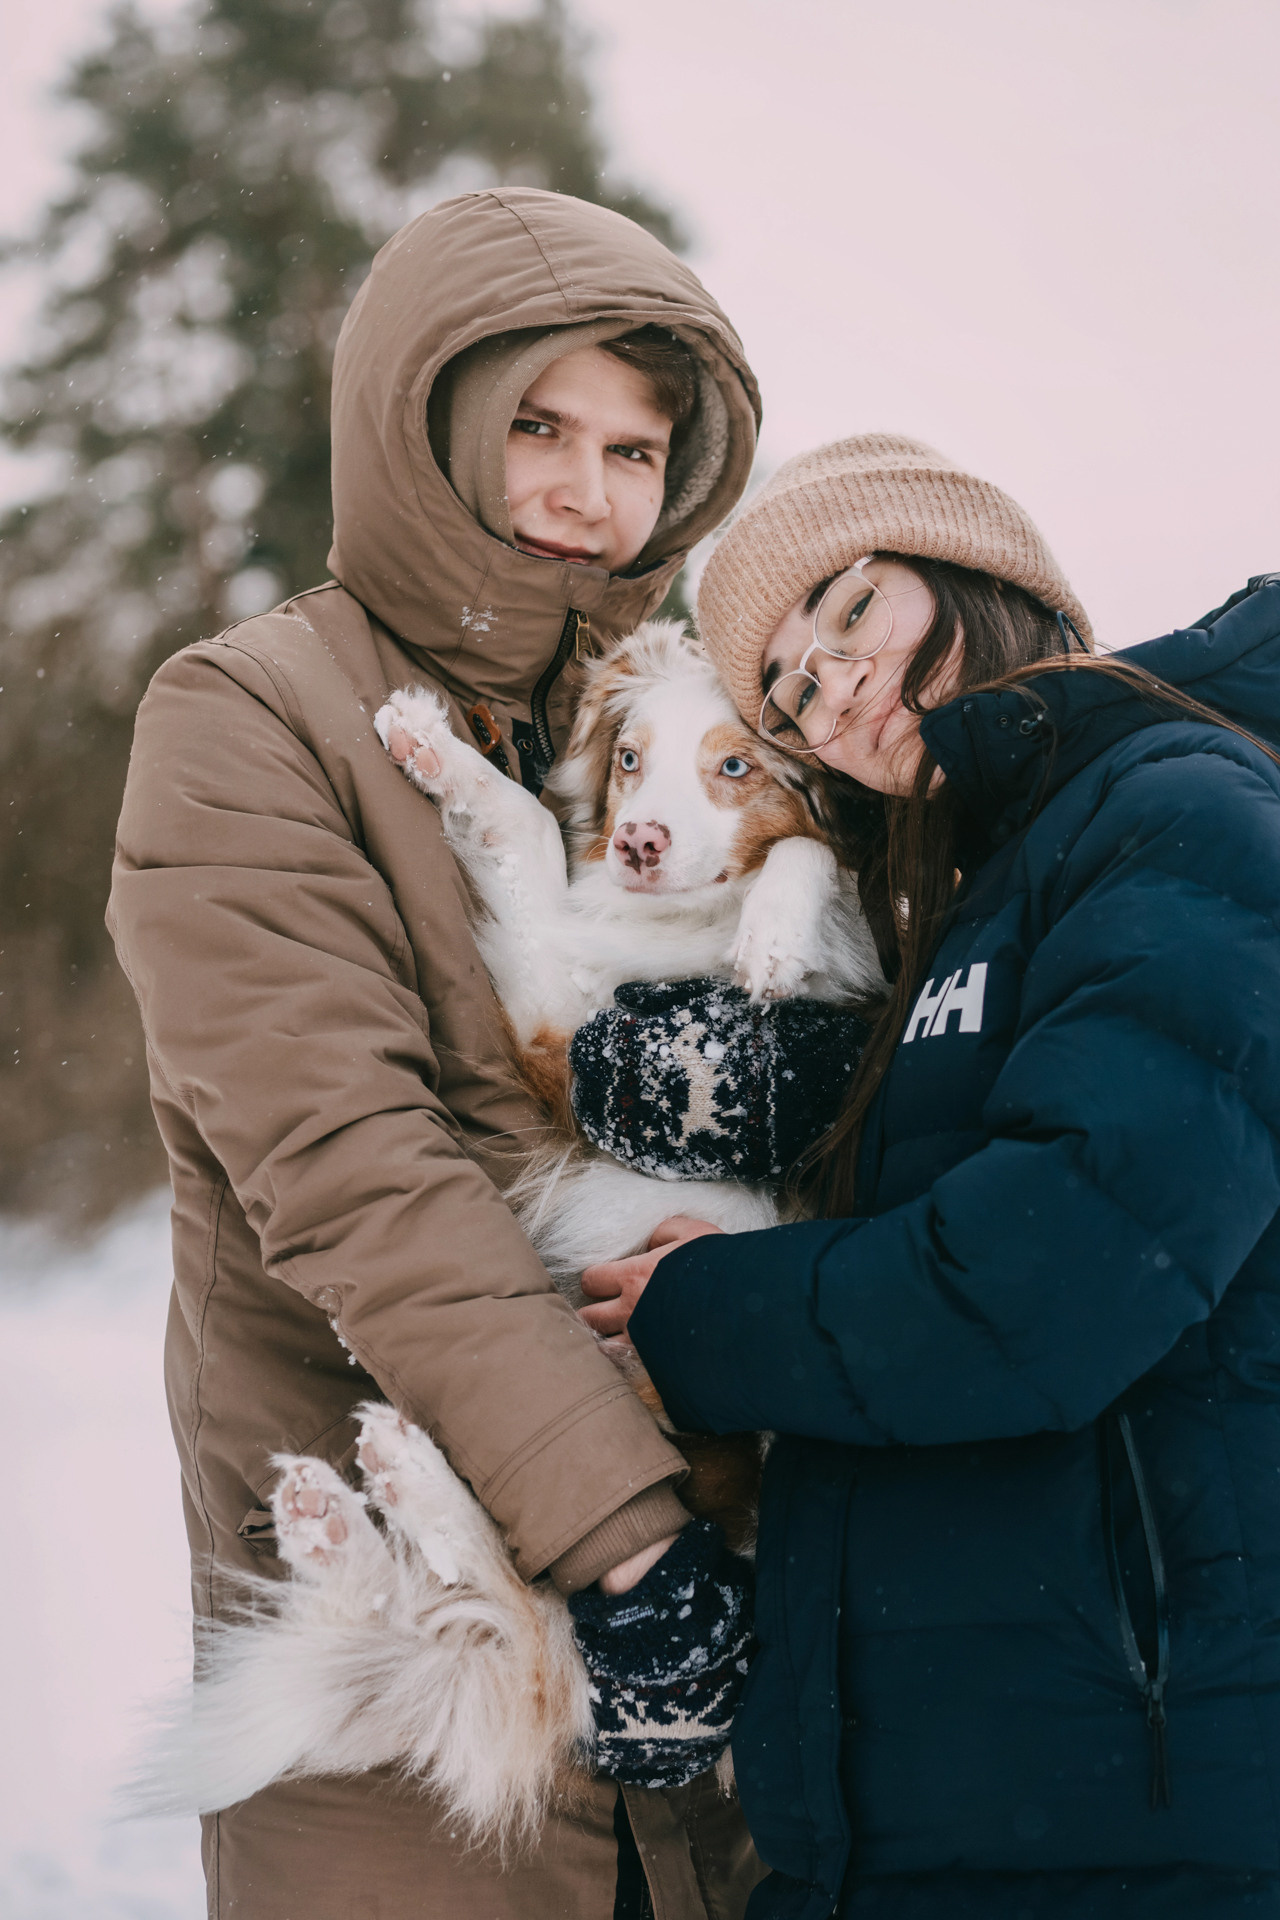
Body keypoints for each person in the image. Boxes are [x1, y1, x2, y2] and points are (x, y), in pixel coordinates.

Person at [107, 187, 764, 1920]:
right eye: (539, 425)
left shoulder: (666, 729)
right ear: (427, 421)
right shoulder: (251, 715)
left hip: (713, 1672)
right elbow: (351, 1165)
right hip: (408, 1644)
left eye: (635, 449)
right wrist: (626, 1533)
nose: (587, 489)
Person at [575, 434, 1280, 1917]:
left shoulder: (1182, 814)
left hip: (1124, 1811)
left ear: (977, 568)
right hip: (933, 1808)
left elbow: (1051, 1284)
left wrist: (709, 1311)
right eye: (785, 688)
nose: (828, 685)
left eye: (852, 608)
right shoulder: (976, 893)